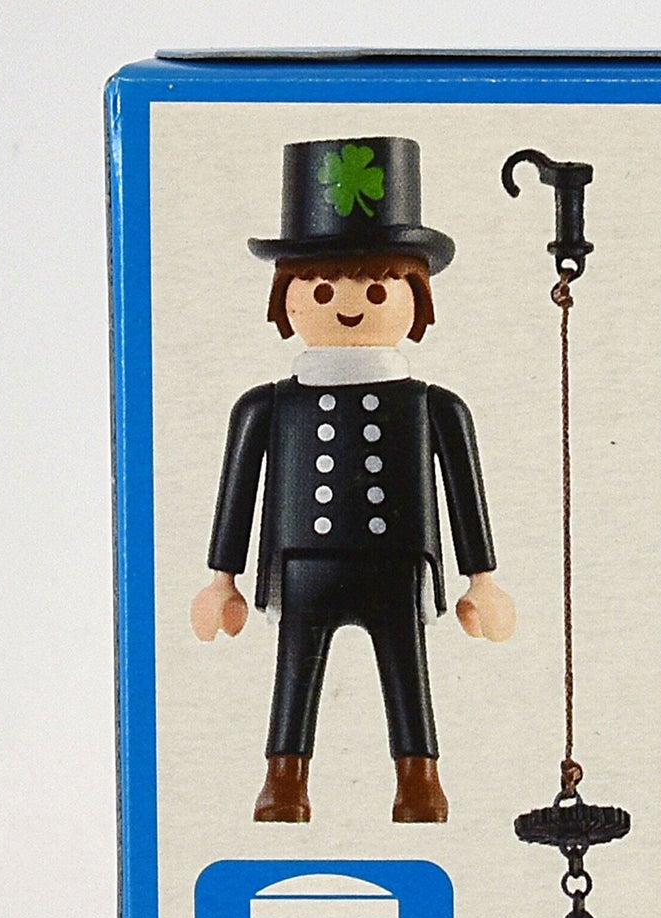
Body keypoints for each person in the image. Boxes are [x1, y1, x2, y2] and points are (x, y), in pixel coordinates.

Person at [191, 138, 515, 823]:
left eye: (374, 289)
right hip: (301, 564)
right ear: (286, 297)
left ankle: (418, 777)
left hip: (397, 562)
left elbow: (464, 489)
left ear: (415, 298)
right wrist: (222, 578)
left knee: (407, 669)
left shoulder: (433, 406)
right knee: (294, 672)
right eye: (321, 288)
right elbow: (238, 489)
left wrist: (481, 579)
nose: (347, 303)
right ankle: (284, 778)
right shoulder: (267, 406)